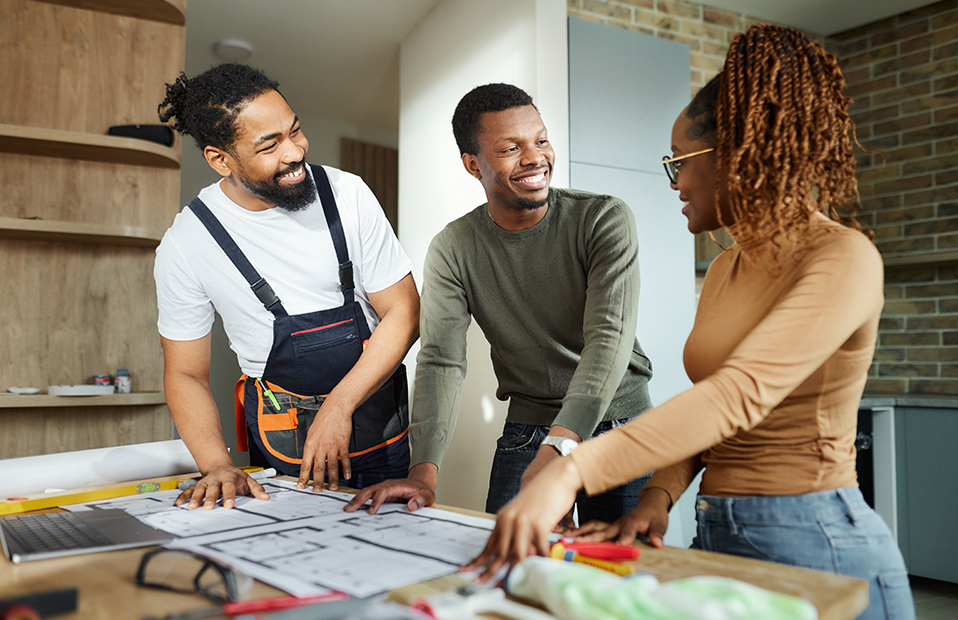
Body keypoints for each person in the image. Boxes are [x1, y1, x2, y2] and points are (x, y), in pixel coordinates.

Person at [466, 25, 915, 620]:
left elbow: (737, 397)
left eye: (681, 161)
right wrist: (658, 495)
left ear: (739, 154)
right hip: (717, 535)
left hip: (816, 539)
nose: (673, 179)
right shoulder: (728, 267)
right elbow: (707, 407)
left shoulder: (842, 257)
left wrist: (567, 474)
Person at [345, 83, 653, 523]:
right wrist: (423, 471)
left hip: (619, 421)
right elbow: (441, 361)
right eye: (511, 147)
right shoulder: (454, 246)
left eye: (541, 140)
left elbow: (609, 339)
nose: (535, 157)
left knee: (621, 576)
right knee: (509, 564)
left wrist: (561, 445)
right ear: (473, 165)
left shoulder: (603, 218)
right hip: (528, 426)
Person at [154, 63, 419, 510]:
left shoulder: (347, 194)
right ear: (220, 159)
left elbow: (404, 312)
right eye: (269, 145)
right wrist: (216, 464)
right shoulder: (188, 243)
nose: (295, 152)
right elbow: (185, 373)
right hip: (284, 434)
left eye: (295, 131)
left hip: (376, 417)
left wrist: (339, 407)